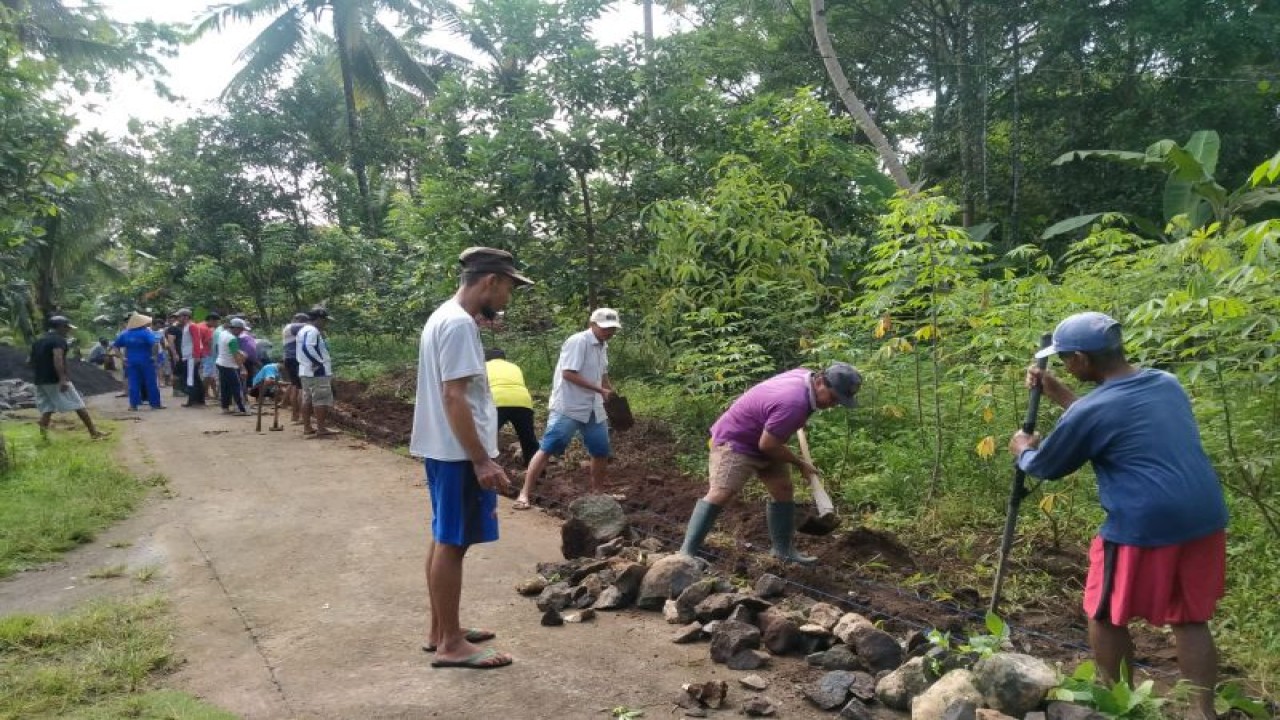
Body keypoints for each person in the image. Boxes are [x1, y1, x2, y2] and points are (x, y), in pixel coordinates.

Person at [1007, 312, 1227, 720]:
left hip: (1143, 520)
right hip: (1204, 518)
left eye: (1067, 360)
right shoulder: (1166, 383)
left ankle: (1114, 701)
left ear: (1081, 360)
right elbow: (1115, 418)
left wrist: (1023, 448)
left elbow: (1047, 466)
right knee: (1191, 618)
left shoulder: (1091, 411)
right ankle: (1202, 713)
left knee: (1105, 612)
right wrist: (1062, 395)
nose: (1067, 366)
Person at [410, 246, 532, 670]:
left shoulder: (443, 317)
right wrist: (481, 459)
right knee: (453, 542)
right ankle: (450, 645)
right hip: (459, 454)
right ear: (491, 282)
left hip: (443, 448)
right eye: (509, 290)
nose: (508, 300)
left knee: (444, 536)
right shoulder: (459, 325)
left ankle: (441, 630)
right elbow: (454, 395)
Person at [678, 362, 863, 565]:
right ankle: (686, 553)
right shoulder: (794, 403)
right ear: (819, 382)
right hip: (737, 441)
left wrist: (793, 422)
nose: (834, 404)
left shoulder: (804, 377)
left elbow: (772, 430)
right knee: (722, 492)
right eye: (834, 398)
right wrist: (799, 463)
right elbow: (768, 445)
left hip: (767, 438)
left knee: (783, 489)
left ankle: (782, 550)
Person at [514, 308, 622, 510]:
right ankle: (524, 493)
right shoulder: (578, 342)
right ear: (593, 325)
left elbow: (603, 376)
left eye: (613, 329)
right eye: (606, 328)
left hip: (593, 407)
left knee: (600, 450)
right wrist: (600, 389)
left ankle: (598, 493)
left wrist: (612, 397)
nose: (610, 333)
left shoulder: (602, 346)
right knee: (548, 447)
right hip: (569, 405)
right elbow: (568, 374)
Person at [29, 316, 108, 440]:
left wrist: (40, 373)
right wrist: (62, 379)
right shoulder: (58, 340)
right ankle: (93, 433)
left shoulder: (38, 341)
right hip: (55, 379)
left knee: (47, 409)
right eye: (66, 328)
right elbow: (58, 358)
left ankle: (43, 438)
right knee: (78, 405)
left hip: (40, 380)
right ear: (60, 327)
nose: (68, 330)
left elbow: (30, 361)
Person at [485, 348, 539, 466]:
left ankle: (487, 466)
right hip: (523, 402)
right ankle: (537, 469)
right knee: (528, 438)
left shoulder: (484, 366)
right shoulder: (514, 367)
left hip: (497, 401)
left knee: (488, 436)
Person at [113, 312, 164, 411]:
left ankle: (133, 405)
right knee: (151, 382)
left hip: (131, 361)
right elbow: (155, 344)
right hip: (146, 360)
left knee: (133, 383)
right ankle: (155, 404)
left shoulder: (125, 333)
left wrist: (122, 358)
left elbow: (115, 346)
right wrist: (154, 356)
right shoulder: (145, 332)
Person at [297, 307, 335, 437]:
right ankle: (321, 428)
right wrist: (318, 362)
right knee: (321, 399)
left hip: (305, 371)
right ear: (318, 319)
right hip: (317, 372)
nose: (325, 323)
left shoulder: (303, 330)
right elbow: (307, 347)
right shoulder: (313, 331)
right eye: (324, 320)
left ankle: (307, 427)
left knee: (307, 398)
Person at [214, 317, 249, 415]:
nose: (241, 332)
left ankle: (225, 407)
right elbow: (235, 356)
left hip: (221, 363)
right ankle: (242, 409)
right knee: (237, 387)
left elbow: (227, 349)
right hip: (230, 365)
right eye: (241, 330)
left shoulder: (223, 333)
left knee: (225, 387)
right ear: (236, 328)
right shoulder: (232, 338)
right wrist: (243, 368)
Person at [281, 312, 310, 423]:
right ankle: (302, 417)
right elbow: (310, 326)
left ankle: (295, 415)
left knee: (295, 387)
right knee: (301, 388)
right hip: (295, 360)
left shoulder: (291, 329)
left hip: (290, 359)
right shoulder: (291, 327)